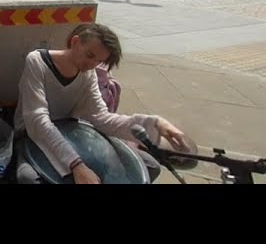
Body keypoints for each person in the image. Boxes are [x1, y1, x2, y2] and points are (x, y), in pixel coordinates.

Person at [13, 22, 192, 184]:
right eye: (89, 55)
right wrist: (76, 165)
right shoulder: (37, 62)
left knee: (149, 166)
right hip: (33, 137)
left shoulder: (88, 74)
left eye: (98, 61)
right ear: (75, 42)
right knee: (28, 178)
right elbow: (38, 121)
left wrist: (156, 123)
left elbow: (101, 117)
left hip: (73, 135)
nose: (92, 64)